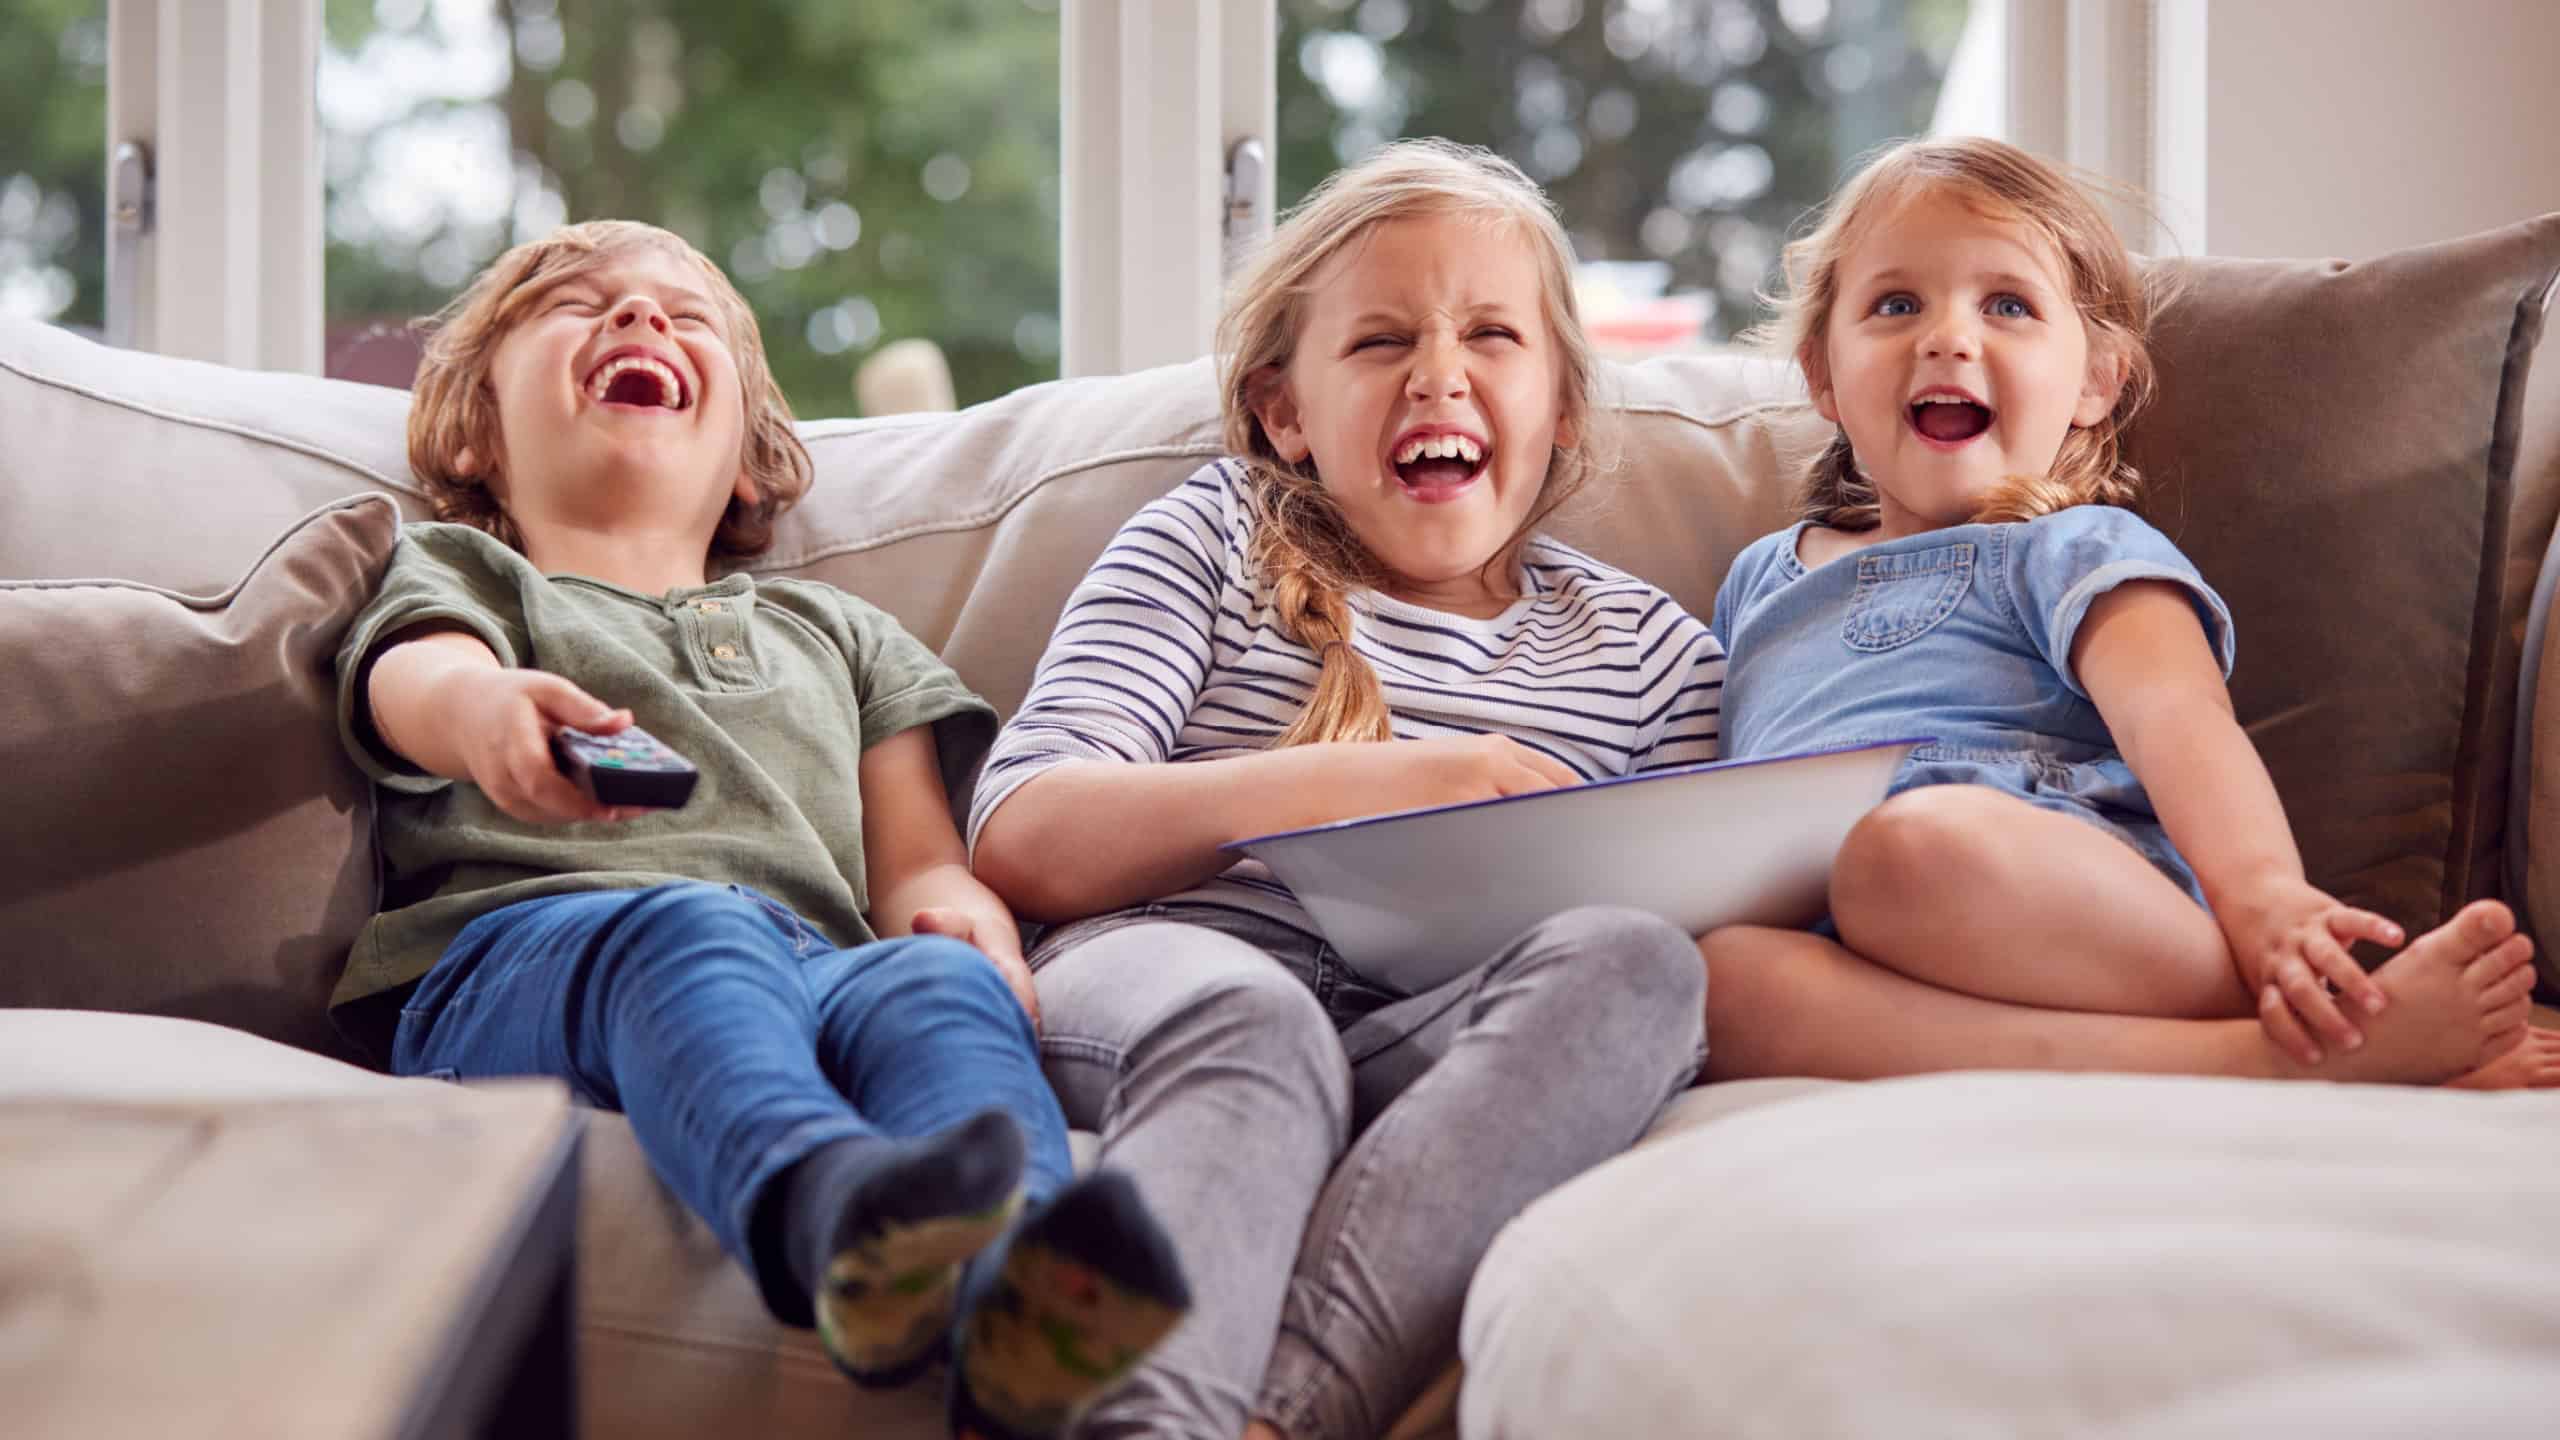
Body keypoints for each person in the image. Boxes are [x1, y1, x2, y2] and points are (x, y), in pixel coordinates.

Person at [332, 220, 1188, 1440]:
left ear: (747, 455)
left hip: (817, 964)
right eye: (582, 305)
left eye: (684, 317)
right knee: (691, 929)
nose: (638, 319)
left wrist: (965, 931)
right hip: (517, 964)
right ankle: (822, 1208)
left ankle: (1021, 1305)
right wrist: (486, 716)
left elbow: (920, 864)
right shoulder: (467, 572)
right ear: (475, 427)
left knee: (933, 996)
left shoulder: (837, 633)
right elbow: (412, 686)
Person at [968, 139, 1727, 1440]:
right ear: (1285, 412)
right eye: (1382, 341)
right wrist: (1398, 778)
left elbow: (1712, 917)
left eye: (1492, 334)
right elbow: (1026, 834)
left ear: (1562, 411)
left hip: (1435, 1032)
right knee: (1257, 1022)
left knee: (1643, 968)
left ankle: (1273, 1423)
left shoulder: (1654, 655)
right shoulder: (1208, 540)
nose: (1440, 371)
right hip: (1173, 974)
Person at [1697, 136, 2560, 1090]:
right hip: (1851, 946)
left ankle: (2322, 1011)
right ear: (1823, 375)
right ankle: (2274, 1057)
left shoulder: (2074, 547)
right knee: (1717, 979)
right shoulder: (1759, 581)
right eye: (1896, 304)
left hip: (2057, 895)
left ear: (2098, 382)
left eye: (2008, 306)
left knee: (1906, 851)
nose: (1946, 336)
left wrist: (2266, 896)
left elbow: (2178, 721)